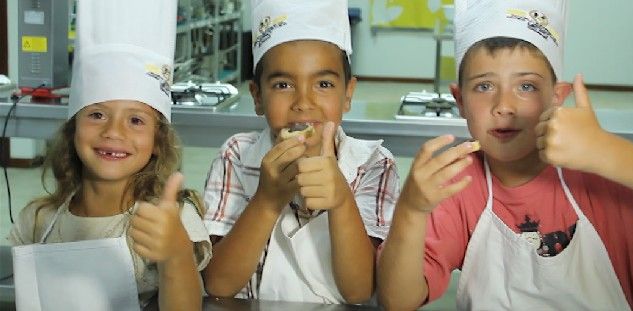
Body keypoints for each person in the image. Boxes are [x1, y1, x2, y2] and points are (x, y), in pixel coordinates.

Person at [377, 0, 633, 310]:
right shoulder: (457, 186)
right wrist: (411, 209)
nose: (504, 105)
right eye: (484, 85)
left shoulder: (599, 175)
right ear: (459, 100)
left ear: (557, 97)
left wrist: (608, 152)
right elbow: (397, 300)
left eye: (526, 86)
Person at [9, 1, 211, 310]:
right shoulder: (37, 220)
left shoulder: (172, 220)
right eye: (97, 115)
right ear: (72, 126)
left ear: (158, 141)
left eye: (135, 120)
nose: (114, 132)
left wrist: (175, 253)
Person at [201, 0, 399, 304]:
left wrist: (341, 200)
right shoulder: (236, 156)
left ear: (347, 94)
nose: (303, 102)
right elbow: (218, 284)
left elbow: (359, 291)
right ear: (257, 96)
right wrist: (267, 201)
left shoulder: (373, 165)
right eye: (282, 84)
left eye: (323, 83)